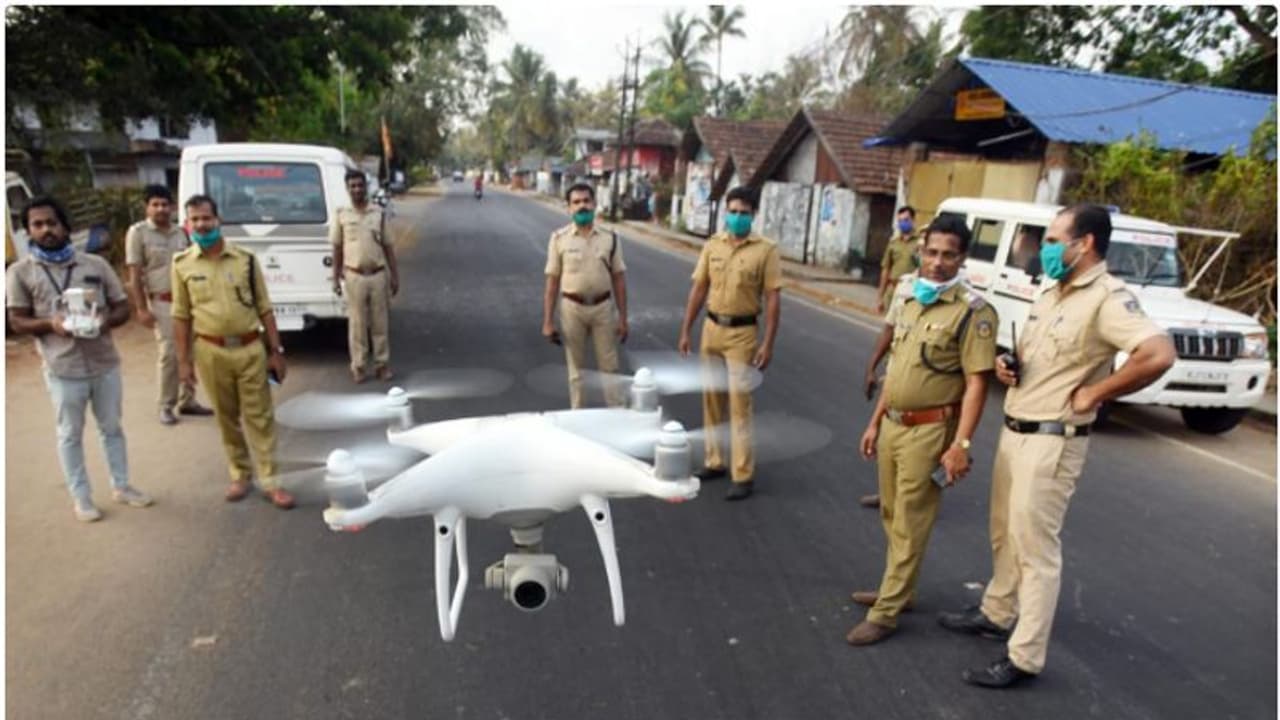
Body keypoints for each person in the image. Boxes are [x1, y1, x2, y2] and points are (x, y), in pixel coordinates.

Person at [937, 204, 1176, 688]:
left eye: (1050, 240)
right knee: (1004, 532)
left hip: (1053, 441)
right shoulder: (1053, 294)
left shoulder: (1107, 298)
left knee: (1035, 550)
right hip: (1017, 429)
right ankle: (997, 611)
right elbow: (1039, 359)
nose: (1042, 248)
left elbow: (1158, 354)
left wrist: (1095, 393)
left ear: (1082, 244)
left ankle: (1024, 656)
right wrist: (1009, 366)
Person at [845, 214, 998, 646]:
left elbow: (975, 384)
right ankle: (901, 589)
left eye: (948, 255)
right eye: (931, 253)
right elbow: (896, 374)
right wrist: (875, 422)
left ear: (962, 258)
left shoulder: (974, 313)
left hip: (931, 431)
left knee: (912, 519)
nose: (937, 262)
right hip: (894, 425)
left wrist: (961, 444)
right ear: (921, 252)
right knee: (892, 513)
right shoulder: (910, 298)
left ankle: (887, 610)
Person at [6, 196, 153, 521]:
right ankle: (82, 497)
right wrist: (50, 324)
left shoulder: (95, 265)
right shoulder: (20, 273)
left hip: (104, 363)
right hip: (63, 368)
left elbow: (121, 307)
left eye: (52, 223)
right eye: (37, 224)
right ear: (29, 230)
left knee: (112, 428)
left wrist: (103, 322)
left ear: (65, 226)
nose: (46, 230)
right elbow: (16, 320)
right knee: (70, 435)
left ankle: (123, 486)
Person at [171, 194, 295, 509]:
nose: (201, 225)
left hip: (251, 348)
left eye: (206, 218)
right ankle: (240, 474)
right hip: (210, 352)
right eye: (194, 219)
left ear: (218, 220)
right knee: (226, 419)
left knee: (260, 417)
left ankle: (271, 481)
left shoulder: (245, 259)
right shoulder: (182, 265)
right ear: (188, 224)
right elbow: (181, 316)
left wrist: (275, 351)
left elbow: (265, 308)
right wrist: (184, 363)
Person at [677, 185, 782, 501]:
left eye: (744, 213)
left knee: (739, 405)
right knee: (711, 399)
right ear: (726, 212)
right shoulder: (713, 246)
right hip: (712, 328)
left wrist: (768, 343)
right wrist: (686, 330)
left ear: (754, 215)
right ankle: (714, 461)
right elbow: (698, 289)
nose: (738, 218)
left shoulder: (765, 250)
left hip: (743, 334)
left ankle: (743, 473)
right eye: (733, 212)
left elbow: (773, 299)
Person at [125, 184, 213, 425]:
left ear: (172, 207)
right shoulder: (138, 233)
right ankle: (166, 404)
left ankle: (188, 400)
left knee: (190, 351)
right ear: (147, 207)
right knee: (169, 355)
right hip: (161, 302)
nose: (161, 209)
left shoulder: (180, 233)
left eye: (165, 204)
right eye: (155, 204)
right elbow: (134, 274)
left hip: (188, 301)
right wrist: (141, 309)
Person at [542, 182, 629, 409]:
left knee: (610, 368)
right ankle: (578, 418)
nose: (582, 206)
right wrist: (548, 322)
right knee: (576, 373)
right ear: (569, 208)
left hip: (603, 309)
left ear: (594, 204)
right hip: (572, 309)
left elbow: (619, 279)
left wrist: (623, 318)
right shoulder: (559, 239)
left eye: (586, 201)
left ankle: (616, 415)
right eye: (576, 202)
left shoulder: (611, 238)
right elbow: (552, 281)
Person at [859, 233, 927, 510]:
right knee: (889, 432)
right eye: (924, 251)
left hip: (929, 381)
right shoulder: (906, 286)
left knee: (920, 440)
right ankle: (889, 491)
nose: (929, 257)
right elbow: (889, 328)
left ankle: (913, 495)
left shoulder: (962, 296)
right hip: (897, 370)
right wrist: (872, 366)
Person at [331, 169, 399, 383]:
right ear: (347, 188)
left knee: (380, 324)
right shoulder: (341, 214)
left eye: (360, 185)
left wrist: (395, 276)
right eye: (353, 186)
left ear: (365, 187)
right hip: (354, 276)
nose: (357, 189)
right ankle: (359, 366)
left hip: (378, 275)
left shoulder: (377, 213)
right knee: (357, 325)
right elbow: (337, 248)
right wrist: (335, 277)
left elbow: (388, 247)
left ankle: (382, 365)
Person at [877, 206, 920, 314]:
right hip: (893, 289)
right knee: (888, 325)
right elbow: (886, 269)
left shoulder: (920, 243)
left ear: (913, 220)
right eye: (900, 221)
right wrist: (880, 297)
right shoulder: (893, 243)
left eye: (906, 220)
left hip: (910, 291)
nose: (902, 224)